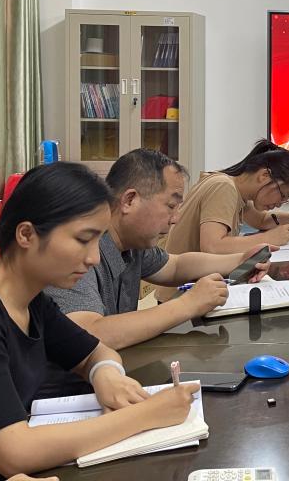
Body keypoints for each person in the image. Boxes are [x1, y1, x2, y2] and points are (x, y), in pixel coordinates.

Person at [0, 163, 198, 480]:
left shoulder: (33, 303)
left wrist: (105, 374)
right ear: (26, 234)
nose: (94, 258)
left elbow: (96, 352)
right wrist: (147, 414)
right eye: (82, 240)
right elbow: (14, 452)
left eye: (98, 241)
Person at [44, 149, 275, 354]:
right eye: (171, 206)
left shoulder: (132, 244)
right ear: (129, 200)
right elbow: (89, 333)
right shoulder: (82, 251)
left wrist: (241, 259)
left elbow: (175, 266)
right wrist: (188, 304)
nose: (175, 219)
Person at [158, 139, 289, 301]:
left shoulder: (235, 188)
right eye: (283, 194)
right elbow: (212, 246)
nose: (280, 203)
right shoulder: (223, 187)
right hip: (179, 296)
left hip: (194, 289)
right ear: (264, 176)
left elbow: (261, 220)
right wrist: (269, 238)